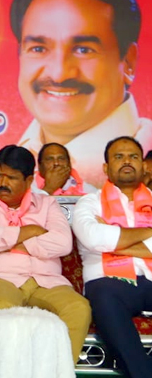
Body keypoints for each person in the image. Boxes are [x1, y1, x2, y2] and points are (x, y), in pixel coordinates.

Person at [11, 0, 149, 189]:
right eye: (38, 49)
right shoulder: (13, 163)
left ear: (128, 62)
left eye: (83, 50)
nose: (59, 74)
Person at [0, 145, 91, 363]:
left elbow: (63, 243)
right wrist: (30, 231)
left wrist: (9, 243)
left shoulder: (47, 204)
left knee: (78, 308)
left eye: (11, 177)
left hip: (46, 281)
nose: (3, 183)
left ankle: (56, 371)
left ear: (29, 180)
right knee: (3, 307)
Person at [72, 136, 152, 378]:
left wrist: (114, 240)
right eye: (119, 157)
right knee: (104, 297)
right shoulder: (89, 203)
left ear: (144, 165)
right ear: (106, 168)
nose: (127, 161)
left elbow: (103, 239)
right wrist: (148, 233)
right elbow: (92, 237)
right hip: (109, 282)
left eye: (133, 156)